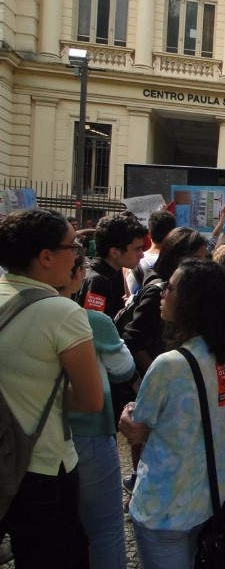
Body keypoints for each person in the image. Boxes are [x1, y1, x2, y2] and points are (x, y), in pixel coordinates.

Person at [119, 258, 225, 568]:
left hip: (165, 507)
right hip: (207, 499)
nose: (162, 292)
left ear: (192, 303)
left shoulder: (170, 364)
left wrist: (128, 419)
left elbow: (137, 428)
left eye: (170, 288)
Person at [0, 209, 103, 567]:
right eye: (73, 245)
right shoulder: (62, 312)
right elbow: (91, 400)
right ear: (45, 256)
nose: (78, 254)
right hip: (42, 465)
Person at [61, 248, 135, 569]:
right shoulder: (90, 320)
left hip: (35, 435)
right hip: (89, 430)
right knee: (105, 528)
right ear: (74, 274)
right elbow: (124, 368)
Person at [121, 226, 208, 497]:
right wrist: (156, 370)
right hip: (156, 376)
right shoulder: (158, 289)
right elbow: (132, 338)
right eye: (198, 257)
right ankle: (140, 487)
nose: (204, 263)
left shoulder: (191, 291)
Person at [76, 214, 148, 319]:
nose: (142, 255)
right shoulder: (97, 281)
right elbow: (97, 326)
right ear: (115, 252)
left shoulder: (114, 272)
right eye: (137, 249)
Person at [125, 210, 176, 296]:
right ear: (173, 234)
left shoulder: (131, 261)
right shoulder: (177, 263)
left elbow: (127, 297)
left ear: (149, 234)